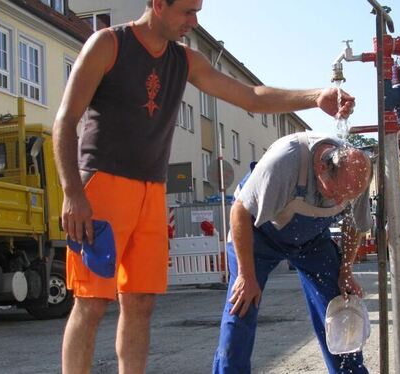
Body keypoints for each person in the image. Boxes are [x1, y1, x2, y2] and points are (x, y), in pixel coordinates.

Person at [52, 0, 356, 373]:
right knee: (91, 302)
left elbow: (251, 97)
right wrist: (72, 193)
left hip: (151, 191)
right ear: (158, 5)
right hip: (101, 188)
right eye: (187, 12)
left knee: (140, 302)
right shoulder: (107, 44)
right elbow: (65, 122)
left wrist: (314, 97)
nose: (193, 22)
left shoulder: (185, 61)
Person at [212, 133, 373, 374]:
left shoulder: (355, 176)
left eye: (348, 196)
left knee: (339, 307)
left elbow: (354, 225)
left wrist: (346, 270)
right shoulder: (284, 161)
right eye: (337, 192)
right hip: (256, 234)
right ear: (321, 168)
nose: (341, 201)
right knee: (242, 307)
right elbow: (239, 212)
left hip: (312, 242)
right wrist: (246, 276)